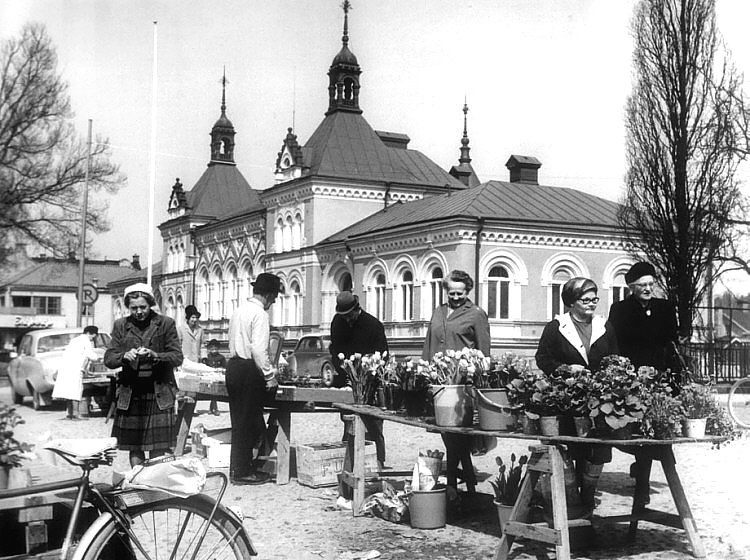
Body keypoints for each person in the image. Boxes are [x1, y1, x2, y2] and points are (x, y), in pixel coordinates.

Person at [535, 277, 619, 512]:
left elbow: (615, 357)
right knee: (569, 449)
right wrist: (565, 370)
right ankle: (570, 504)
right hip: (566, 399)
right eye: (586, 299)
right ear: (571, 302)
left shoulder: (604, 326)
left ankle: (588, 498)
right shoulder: (556, 327)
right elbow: (542, 358)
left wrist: (609, 377)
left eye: (595, 299)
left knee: (596, 450)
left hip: (599, 400)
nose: (592, 303)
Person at [608, 261, 680, 509]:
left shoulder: (665, 307)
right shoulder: (620, 310)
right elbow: (617, 344)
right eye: (643, 285)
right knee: (639, 430)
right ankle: (642, 477)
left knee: (658, 427)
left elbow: (672, 341)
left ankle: (644, 481)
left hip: (660, 377)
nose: (649, 289)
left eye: (651, 284)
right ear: (631, 287)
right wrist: (627, 374)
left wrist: (671, 375)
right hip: (634, 378)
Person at [422, 269, 490, 494]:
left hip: (462, 383)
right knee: (447, 433)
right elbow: (428, 342)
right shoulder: (438, 312)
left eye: (460, 293)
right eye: (452, 293)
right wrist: (425, 370)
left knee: (455, 435)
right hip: (439, 381)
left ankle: (453, 485)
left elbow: (484, 351)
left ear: (467, 291)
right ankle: (466, 484)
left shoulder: (476, 314)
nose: (456, 297)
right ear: (446, 291)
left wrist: (479, 378)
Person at [105, 283, 183, 467]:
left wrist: (156, 355)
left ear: (151, 304)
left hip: (159, 392)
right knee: (135, 445)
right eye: (134, 308)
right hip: (131, 393)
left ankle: (156, 484)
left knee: (159, 446)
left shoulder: (166, 323)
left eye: (143, 307)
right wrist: (124, 356)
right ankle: (138, 482)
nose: (139, 312)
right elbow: (109, 358)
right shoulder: (121, 326)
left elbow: (177, 357)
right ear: (128, 307)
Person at [329, 291, 388, 510]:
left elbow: (383, 356)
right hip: (347, 381)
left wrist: (368, 375)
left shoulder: (373, 325)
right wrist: (343, 371)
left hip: (370, 383)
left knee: (374, 426)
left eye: (349, 315)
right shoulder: (338, 323)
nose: (347, 319)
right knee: (350, 425)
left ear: (357, 308)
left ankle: (378, 465)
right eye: (343, 315)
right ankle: (351, 467)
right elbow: (335, 349)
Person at [226, 272, 283, 485]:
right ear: (268, 295)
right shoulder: (260, 315)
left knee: (239, 421)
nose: (274, 301)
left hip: (233, 367)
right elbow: (259, 350)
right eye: (274, 296)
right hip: (248, 370)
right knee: (249, 421)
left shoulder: (239, 310)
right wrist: (269, 376)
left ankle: (241, 468)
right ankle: (242, 472)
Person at [52, 325, 100, 420]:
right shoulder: (86, 340)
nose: (92, 338)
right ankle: (76, 415)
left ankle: (69, 414)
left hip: (66, 368)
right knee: (76, 391)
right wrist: (99, 357)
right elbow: (91, 355)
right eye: (93, 336)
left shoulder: (75, 340)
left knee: (69, 392)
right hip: (75, 369)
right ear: (90, 333)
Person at [179, 305, 218, 415]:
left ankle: (192, 407)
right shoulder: (181, 329)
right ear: (187, 318)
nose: (195, 320)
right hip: (184, 360)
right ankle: (182, 407)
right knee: (183, 384)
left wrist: (204, 357)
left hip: (195, 360)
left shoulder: (200, 330)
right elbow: (178, 344)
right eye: (192, 317)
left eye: (196, 318)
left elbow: (203, 345)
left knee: (193, 384)